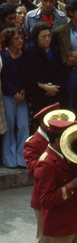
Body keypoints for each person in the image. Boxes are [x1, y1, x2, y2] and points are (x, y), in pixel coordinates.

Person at [34, 119, 77, 243]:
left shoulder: (68, 155)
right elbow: (45, 200)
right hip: (59, 225)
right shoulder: (46, 163)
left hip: (75, 219)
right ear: (57, 141)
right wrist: (72, 185)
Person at [23, 103, 71, 243]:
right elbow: (36, 171)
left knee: (61, 238)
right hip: (43, 199)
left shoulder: (63, 138)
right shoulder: (32, 143)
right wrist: (52, 153)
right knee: (44, 239)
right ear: (45, 123)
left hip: (61, 194)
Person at [1, 26, 29, 168]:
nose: (19, 41)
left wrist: (23, 90)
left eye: (21, 38)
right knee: (9, 127)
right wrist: (14, 92)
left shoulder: (23, 54)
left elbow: (25, 74)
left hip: (21, 95)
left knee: (23, 125)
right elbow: (4, 78)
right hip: (9, 95)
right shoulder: (4, 55)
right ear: (9, 40)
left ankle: (22, 158)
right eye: (16, 38)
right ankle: (9, 158)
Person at [24, 22, 65, 115]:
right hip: (39, 93)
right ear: (36, 37)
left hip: (56, 91)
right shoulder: (30, 52)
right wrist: (45, 88)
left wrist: (54, 88)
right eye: (43, 36)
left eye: (49, 36)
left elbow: (61, 71)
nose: (47, 39)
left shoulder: (55, 49)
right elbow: (29, 76)